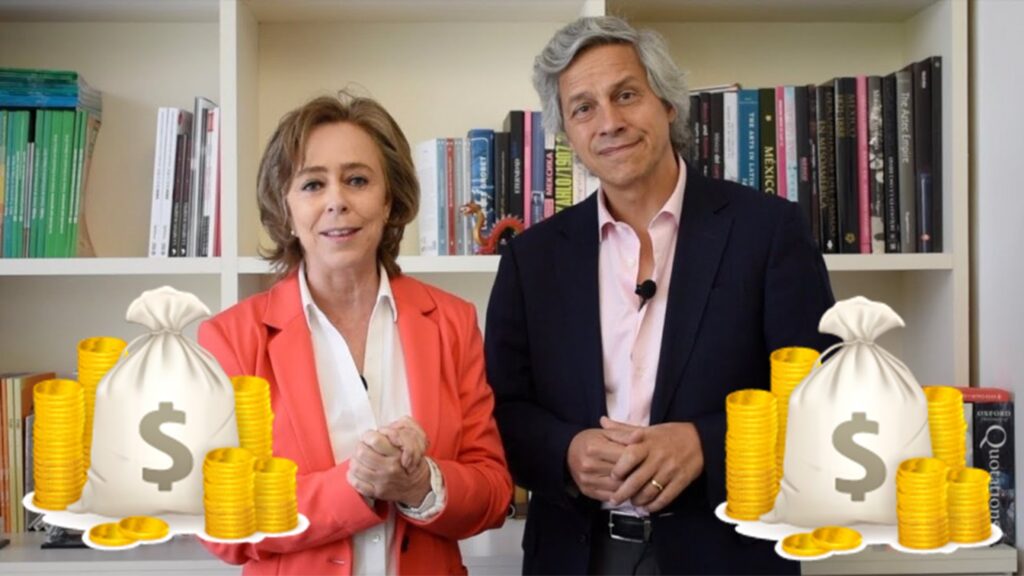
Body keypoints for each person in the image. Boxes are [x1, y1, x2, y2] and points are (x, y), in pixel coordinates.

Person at [484, 16, 837, 575]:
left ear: (668, 104)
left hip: (727, 556)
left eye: (626, 95)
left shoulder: (768, 231)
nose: (610, 122)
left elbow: (825, 399)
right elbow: (501, 411)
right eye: (584, 108)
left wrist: (706, 443)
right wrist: (566, 451)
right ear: (567, 133)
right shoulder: (531, 258)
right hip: (574, 555)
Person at [199, 94, 512, 575]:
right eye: (312, 184)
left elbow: (493, 492)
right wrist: (355, 485)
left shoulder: (452, 322)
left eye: (358, 180)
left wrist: (421, 484)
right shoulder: (232, 338)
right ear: (285, 207)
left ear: (389, 201)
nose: (337, 201)